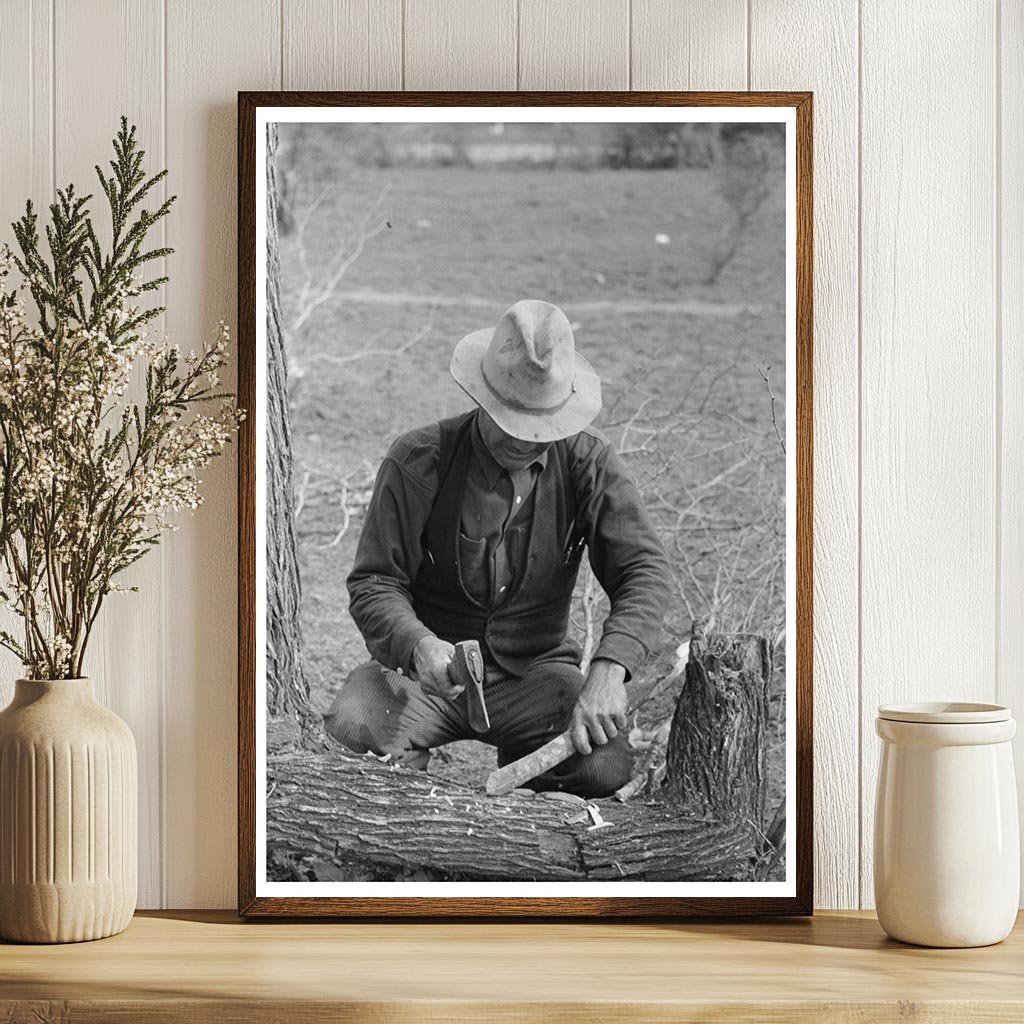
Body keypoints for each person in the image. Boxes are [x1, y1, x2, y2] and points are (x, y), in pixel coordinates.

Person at [324, 299, 673, 797]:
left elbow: (644, 569)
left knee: (602, 764)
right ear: (482, 396)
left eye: (541, 426)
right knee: (354, 728)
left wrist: (608, 670)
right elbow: (375, 582)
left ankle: (524, 806)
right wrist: (419, 645)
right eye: (512, 419)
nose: (527, 438)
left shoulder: (588, 463)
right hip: (428, 675)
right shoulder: (419, 459)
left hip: (536, 675)